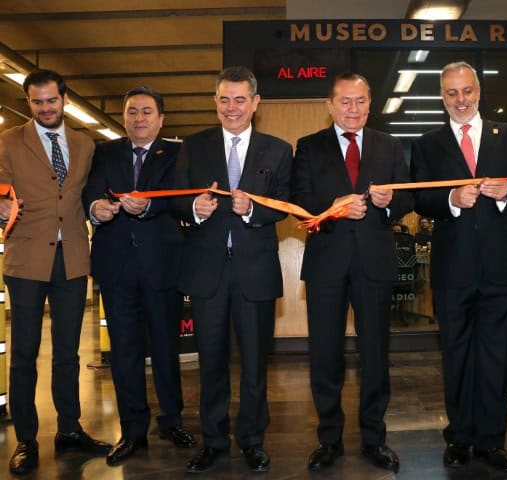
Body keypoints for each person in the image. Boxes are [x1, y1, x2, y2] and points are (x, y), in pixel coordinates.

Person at [411, 61, 507, 472]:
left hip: (502, 269)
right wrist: (450, 199)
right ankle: (459, 436)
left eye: (466, 91)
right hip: (452, 271)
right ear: (442, 97)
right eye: (451, 93)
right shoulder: (428, 143)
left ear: (479, 91)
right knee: (457, 355)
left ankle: (491, 440)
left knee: (498, 356)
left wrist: (506, 194)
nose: (460, 100)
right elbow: (419, 198)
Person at [171, 66, 292, 473]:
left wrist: (254, 209)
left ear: (256, 103)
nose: (232, 107)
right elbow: (175, 200)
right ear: (215, 102)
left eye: (240, 99)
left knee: (256, 363)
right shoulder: (193, 146)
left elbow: (285, 203)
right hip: (207, 272)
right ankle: (214, 441)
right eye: (224, 99)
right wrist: (193, 209)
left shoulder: (278, 150)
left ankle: (252, 440)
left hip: (255, 271)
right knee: (211, 362)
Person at [291, 72, 413, 474]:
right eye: (345, 101)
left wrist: (390, 202)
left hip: (374, 263)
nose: (353, 109)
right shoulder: (308, 147)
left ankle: (375, 438)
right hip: (327, 263)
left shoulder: (389, 145)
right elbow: (300, 201)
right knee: (325, 354)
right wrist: (336, 205)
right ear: (330, 105)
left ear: (370, 103)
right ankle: (329, 440)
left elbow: (409, 195)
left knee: (375, 354)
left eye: (361, 100)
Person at [0, 69, 112, 475]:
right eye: (37, 102)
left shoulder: (84, 143)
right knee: (25, 353)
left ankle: (69, 429)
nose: (45, 108)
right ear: (28, 102)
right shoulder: (10, 141)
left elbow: (87, 194)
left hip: (73, 258)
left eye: (51, 100)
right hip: (27, 259)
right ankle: (26, 439)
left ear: (64, 99)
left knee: (68, 352)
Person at [82, 86, 196, 465]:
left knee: (165, 346)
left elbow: (181, 198)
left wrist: (148, 207)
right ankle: (132, 430)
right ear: (124, 116)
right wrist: (95, 207)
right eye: (132, 111)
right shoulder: (105, 151)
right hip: (115, 266)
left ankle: (171, 419)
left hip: (162, 264)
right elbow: (90, 193)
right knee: (125, 351)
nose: (139, 118)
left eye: (147, 112)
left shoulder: (178, 154)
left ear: (161, 119)